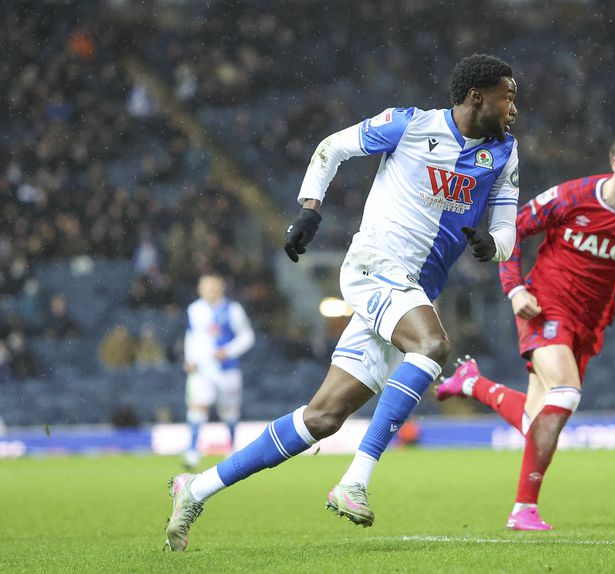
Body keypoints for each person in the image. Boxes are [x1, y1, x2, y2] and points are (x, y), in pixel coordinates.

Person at [165, 54, 519, 550]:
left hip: (412, 291)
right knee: (433, 346)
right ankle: (355, 481)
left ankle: (196, 487)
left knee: (322, 418)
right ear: (477, 96)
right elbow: (331, 148)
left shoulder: (505, 152)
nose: (514, 108)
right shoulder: (410, 125)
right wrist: (309, 210)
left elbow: (506, 228)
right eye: (508, 97)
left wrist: (492, 246)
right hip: (376, 266)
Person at [436, 128, 615, 530]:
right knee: (566, 392)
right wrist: (515, 288)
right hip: (545, 306)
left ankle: (472, 383)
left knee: (536, 422)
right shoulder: (573, 196)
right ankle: (523, 509)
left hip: (591, 323)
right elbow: (513, 230)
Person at [181, 275, 255, 469]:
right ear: (200, 289)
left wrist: (228, 351)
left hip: (226, 370)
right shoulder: (195, 309)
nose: (209, 291)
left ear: (221, 288)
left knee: (229, 412)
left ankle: (231, 449)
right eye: (205, 287)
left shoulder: (233, 309)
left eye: (213, 287)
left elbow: (248, 336)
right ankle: (192, 452)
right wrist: (189, 358)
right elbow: (191, 335)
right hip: (202, 368)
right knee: (198, 407)